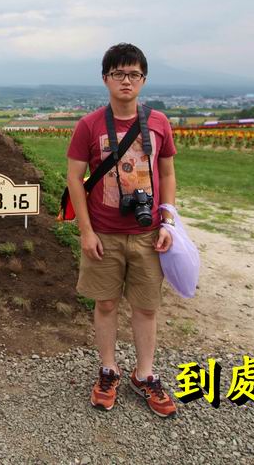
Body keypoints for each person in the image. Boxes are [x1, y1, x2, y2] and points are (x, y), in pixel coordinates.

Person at [66, 42, 178, 418]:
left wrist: (168, 220)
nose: (126, 81)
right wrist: (86, 231)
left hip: (149, 234)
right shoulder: (89, 125)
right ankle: (108, 369)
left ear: (143, 79)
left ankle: (144, 374)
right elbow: (74, 178)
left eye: (133, 74)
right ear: (105, 79)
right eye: (118, 73)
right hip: (104, 232)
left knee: (146, 307)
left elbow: (167, 173)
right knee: (106, 303)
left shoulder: (159, 123)